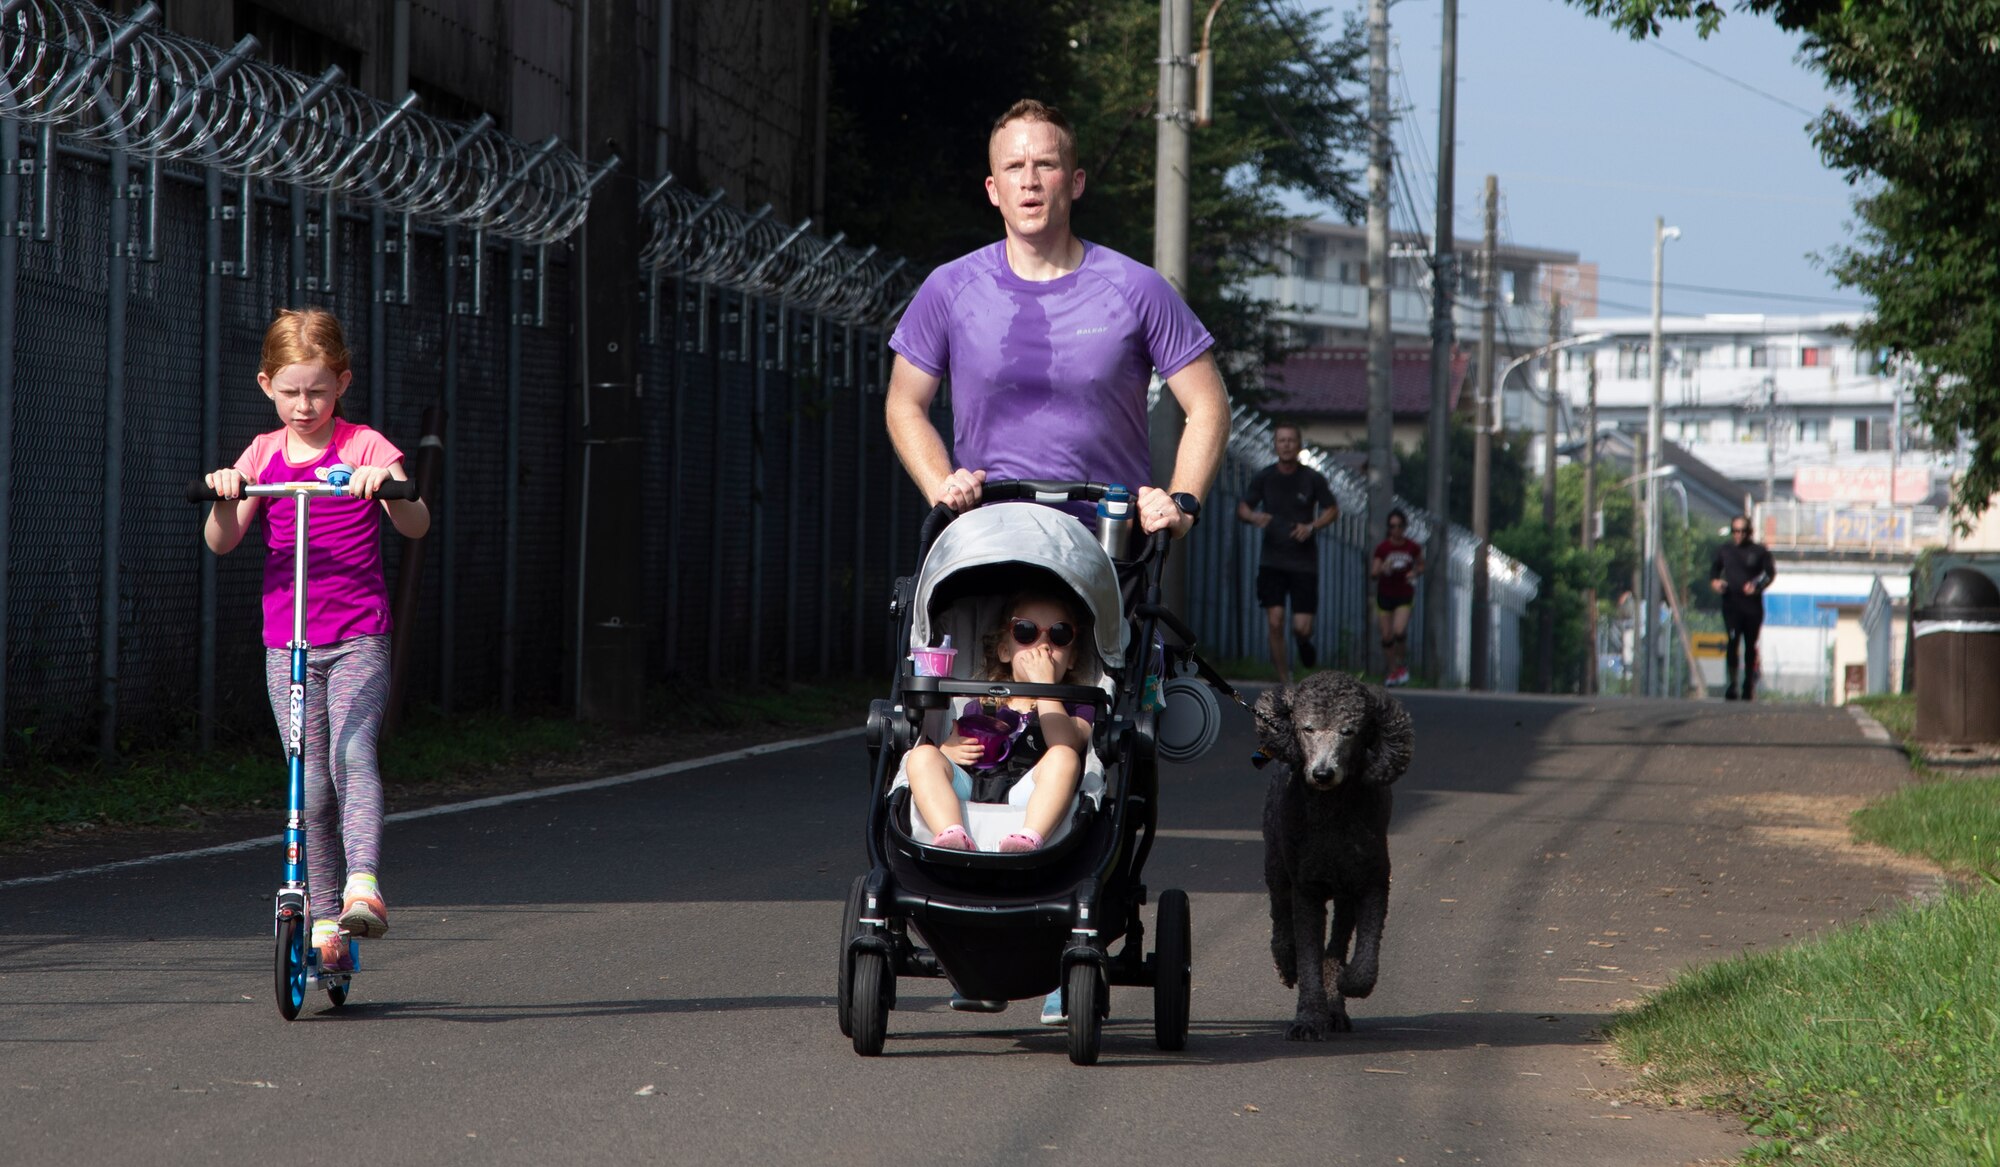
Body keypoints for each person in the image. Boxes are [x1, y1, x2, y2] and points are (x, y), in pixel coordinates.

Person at [884, 98, 1229, 539]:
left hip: (1105, 546)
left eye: (1046, 164)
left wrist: (1180, 504)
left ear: (1075, 182)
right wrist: (943, 488)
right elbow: (903, 403)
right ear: (992, 189)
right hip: (985, 541)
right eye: (1014, 167)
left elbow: (1208, 403)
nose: (1029, 182)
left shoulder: (1137, 287)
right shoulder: (948, 288)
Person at [202, 308, 431, 974]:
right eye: (292, 391)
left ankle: (364, 884)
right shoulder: (264, 453)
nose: (305, 405)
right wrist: (226, 493)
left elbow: (415, 523)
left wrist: (387, 488)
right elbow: (223, 541)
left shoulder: (363, 445)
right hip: (289, 645)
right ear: (267, 385)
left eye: (319, 391)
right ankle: (327, 923)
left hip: (357, 637)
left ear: (343, 384)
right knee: (310, 785)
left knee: (351, 752)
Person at [904, 590, 1093, 855]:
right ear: (1005, 651)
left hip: (1029, 791)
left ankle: (1029, 837)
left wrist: (1045, 687)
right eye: (1026, 632)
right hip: (974, 784)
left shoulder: (1078, 707)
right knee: (922, 756)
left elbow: (1065, 741)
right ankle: (951, 832)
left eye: (1059, 634)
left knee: (1065, 756)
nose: (1043, 645)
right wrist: (949, 750)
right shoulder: (982, 703)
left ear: (1071, 658)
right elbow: (955, 746)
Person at [1236, 422, 1338, 683]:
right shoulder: (1265, 477)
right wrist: (1255, 517)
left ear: (1299, 445)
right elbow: (1244, 508)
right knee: (1275, 621)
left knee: (1301, 628)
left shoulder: (1312, 478)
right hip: (1272, 560)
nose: (1286, 445)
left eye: (1291, 440)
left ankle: (1304, 643)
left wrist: (1312, 526)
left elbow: (1332, 509)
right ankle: (1284, 679)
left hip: (1304, 563)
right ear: (1275, 445)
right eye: (1281, 440)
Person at [1710, 514, 1775, 700]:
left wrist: (1757, 585)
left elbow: (1769, 573)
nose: (1738, 535)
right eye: (1735, 531)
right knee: (1732, 642)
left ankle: (1748, 683)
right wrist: (1715, 582)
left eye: (1742, 531)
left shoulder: (1759, 551)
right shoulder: (1725, 550)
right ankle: (1732, 683)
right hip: (1731, 604)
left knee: (1749, 645)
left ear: (1749, 532)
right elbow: (1714, 570)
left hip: (1752, 607)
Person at [1370, 509, 1424, 687]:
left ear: (1405, 527)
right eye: (1393, 526)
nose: (1396, 530)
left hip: (1404, 594)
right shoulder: (1383, 548)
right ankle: (1392, 669)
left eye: (1400, 526)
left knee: (1399, 631)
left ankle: (1401, 663)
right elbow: (1374, 573)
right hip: (1385, 593)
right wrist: (1383, 568)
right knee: (1386, 635)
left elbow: (1421, 564)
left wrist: (1414, 572)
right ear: (1389, 528)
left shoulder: (1412, 547)